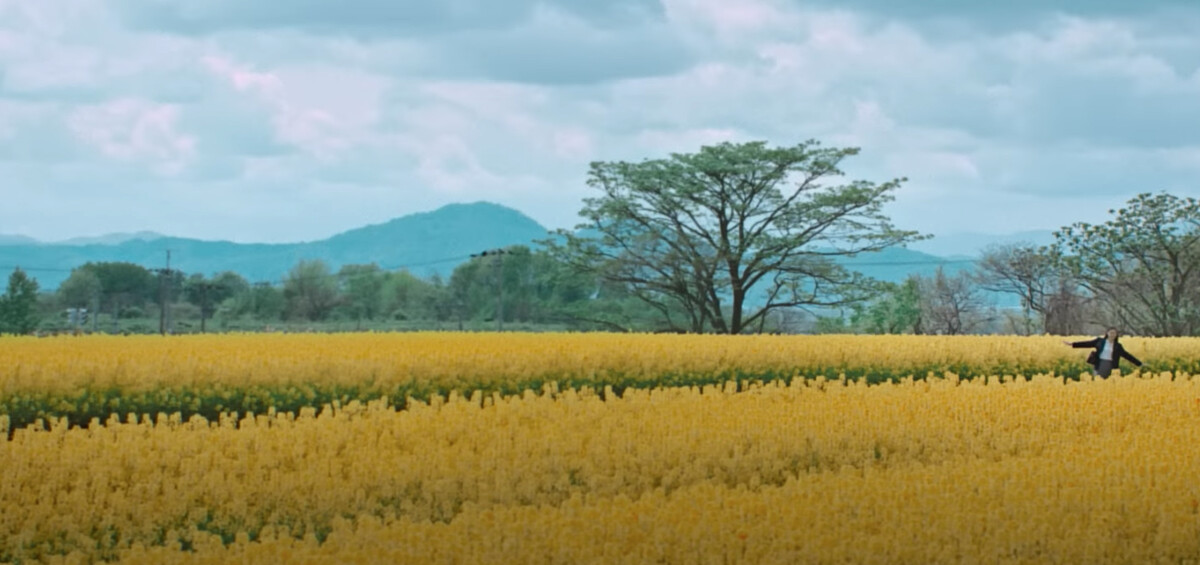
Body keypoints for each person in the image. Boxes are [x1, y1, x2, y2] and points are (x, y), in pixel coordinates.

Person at [1063, 327, 1143, 378]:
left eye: (1114, 333)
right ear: (1107, 333)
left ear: (1116, 335)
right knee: (1098, 381)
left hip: (1111, 365)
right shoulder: (1100, 341)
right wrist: (1073, 344)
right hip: (1099, 363)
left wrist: (1139, 363)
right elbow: (1087, 344)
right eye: (1111, 333)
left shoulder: (1118, 346)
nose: (1112, 335)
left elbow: (1126, 355)